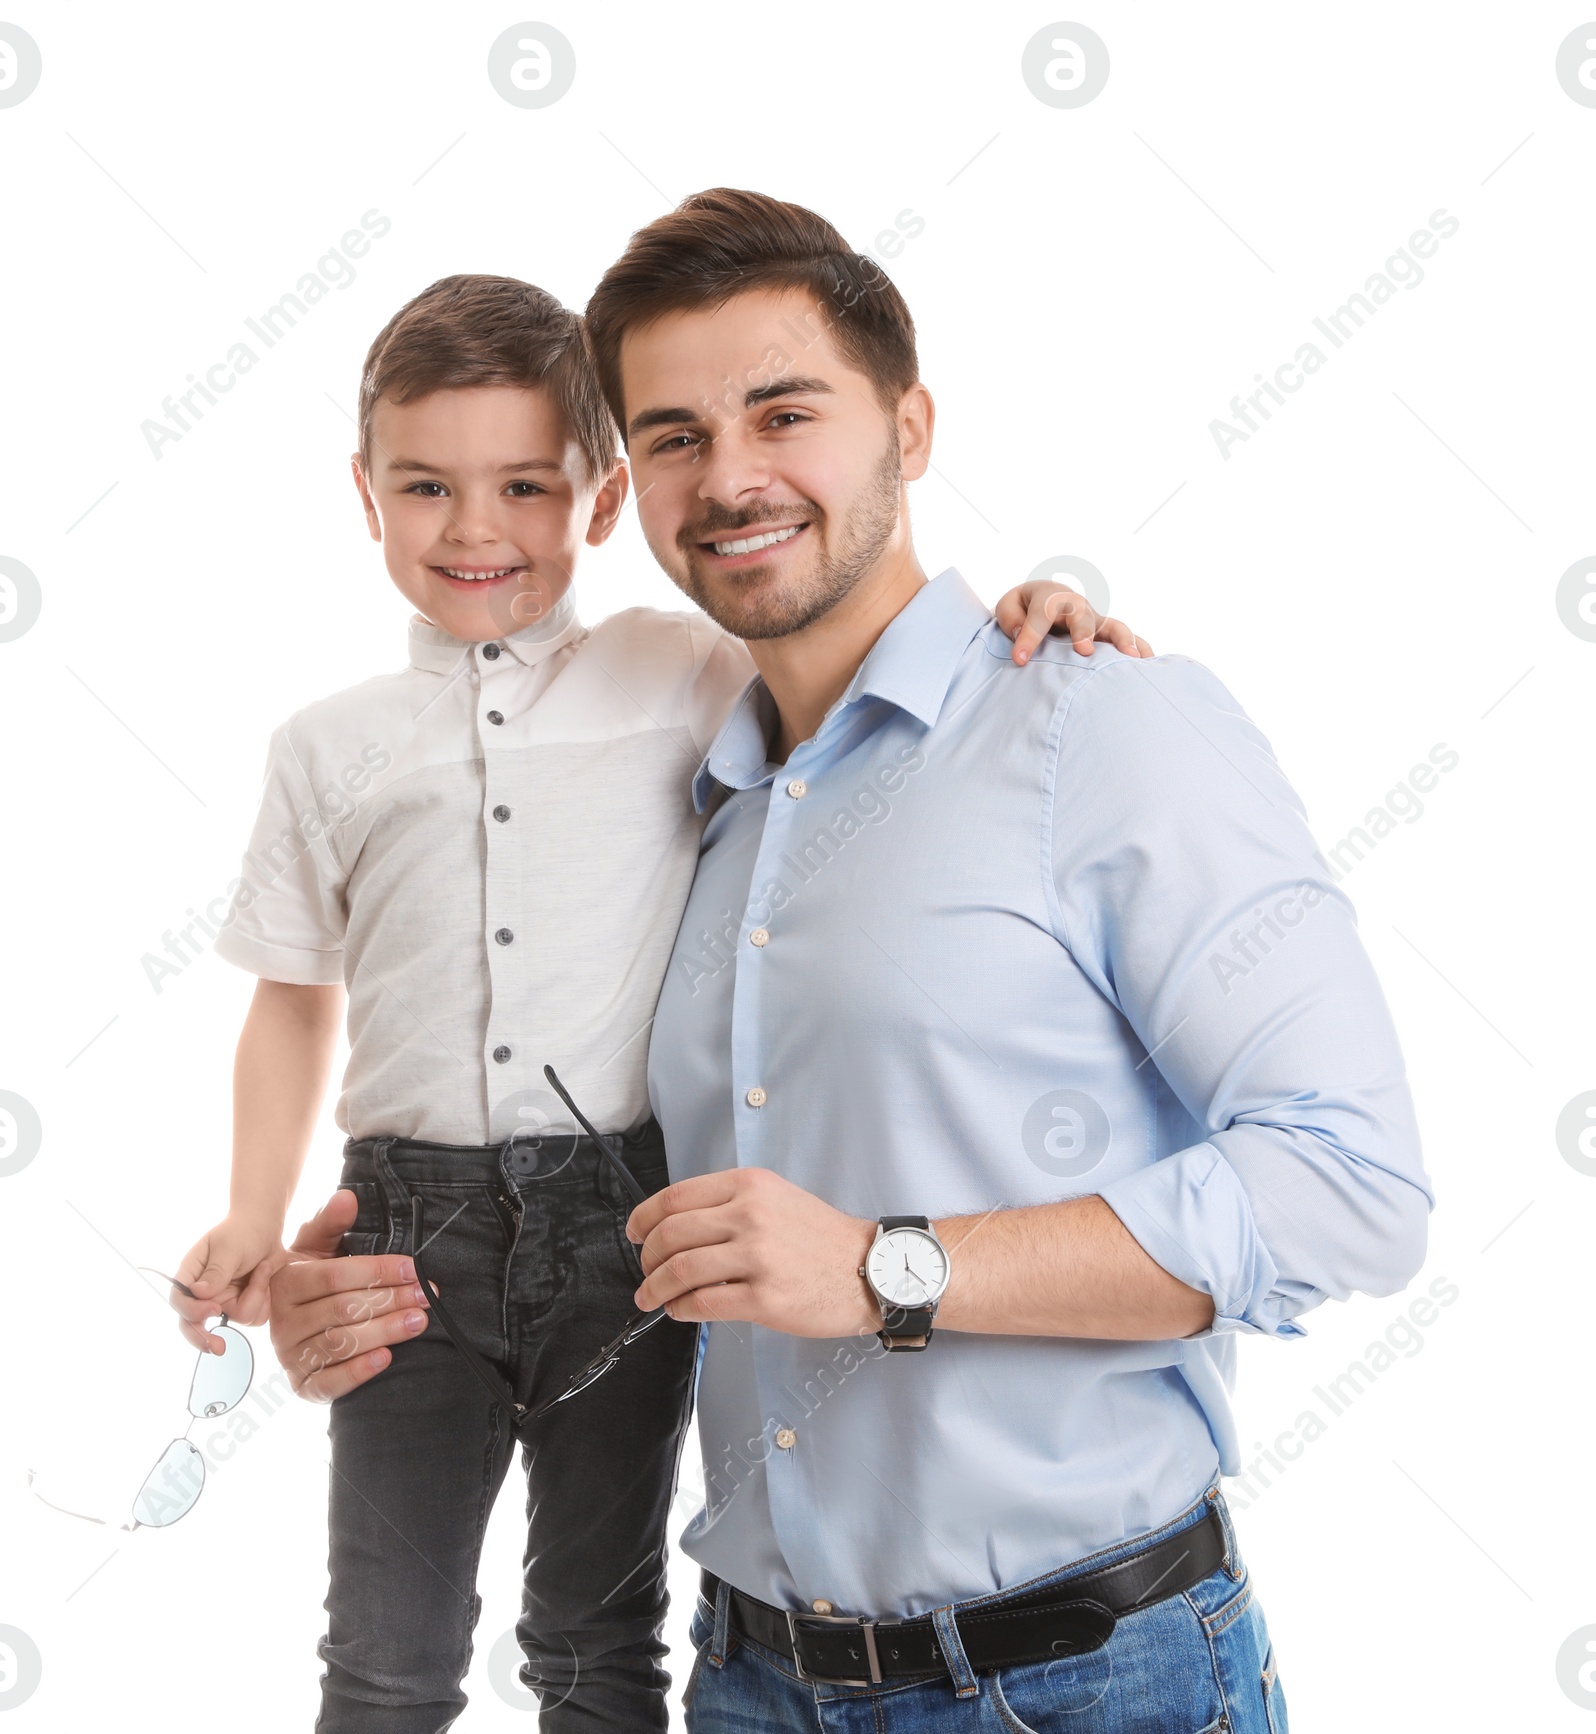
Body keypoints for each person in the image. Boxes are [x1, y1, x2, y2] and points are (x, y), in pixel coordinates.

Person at [168, 270, 1141, 1731]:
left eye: (524, 486)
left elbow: (864, 663)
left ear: (604, 498)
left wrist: (1040, 598)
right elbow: (292, 996)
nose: (477, 530)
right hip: (402, 1233)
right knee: (383, 1650)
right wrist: (254, 1211)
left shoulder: (682, 672)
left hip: (625, 1215)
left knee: (596, 1633)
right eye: (427, 486)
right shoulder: (325, 749)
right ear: (363, 494)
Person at [586, 189, 1434, 1731]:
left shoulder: (1102, 726)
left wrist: (885, 1269)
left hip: (1081, 1684)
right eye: (673, 436)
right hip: (746, 1680)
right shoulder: (683, 801)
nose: (731, 477)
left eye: (786, 411)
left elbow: (1349, 1183)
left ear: (909, 426)